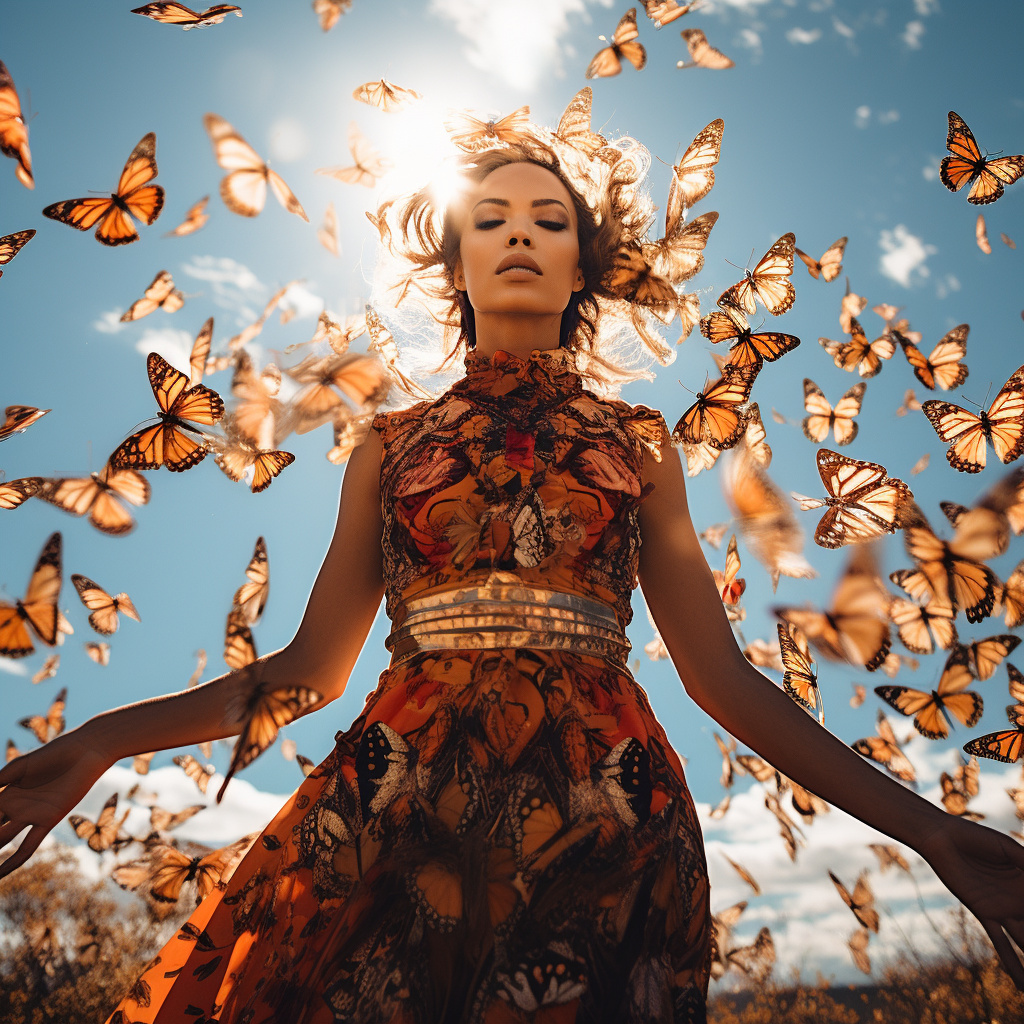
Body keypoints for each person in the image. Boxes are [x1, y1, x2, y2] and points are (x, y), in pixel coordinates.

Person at [1, 110, 1023, 1024]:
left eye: (547, 217)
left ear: (583, 262)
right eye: (489, 219)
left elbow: (721, 681)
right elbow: (310, 670)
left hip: (610, 825)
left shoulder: (641, 441)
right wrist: (97, 741)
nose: (520, 232)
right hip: (395, 809)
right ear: (456, 265)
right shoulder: (389, 442)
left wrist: (934, 833)